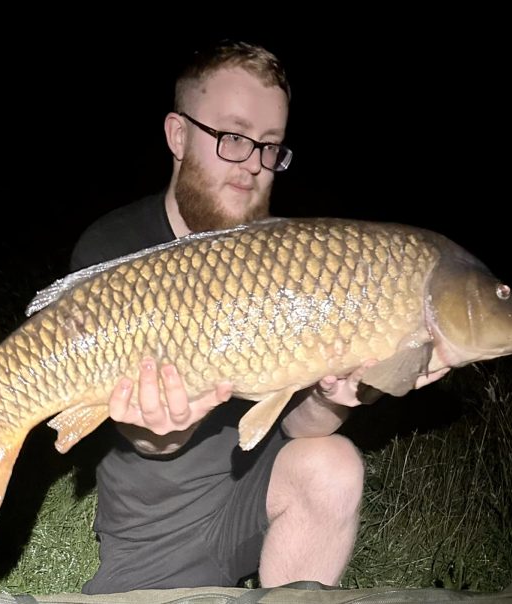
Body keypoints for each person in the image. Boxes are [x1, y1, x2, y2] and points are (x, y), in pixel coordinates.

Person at [69, 40, 445, 594]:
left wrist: (337, 394)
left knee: (335, 465)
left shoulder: (293, 259)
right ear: (178, 135)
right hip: (154, 528)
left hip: (257, 495)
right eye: (233, 138)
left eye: (270, 146)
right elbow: (146, 439)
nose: (253, 163)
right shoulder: (118, 251)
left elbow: (298, 426)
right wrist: (155, 431)